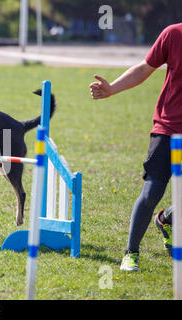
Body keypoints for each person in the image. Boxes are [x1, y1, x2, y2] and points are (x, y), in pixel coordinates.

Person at [89, 23, 182, 272]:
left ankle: (168, 219)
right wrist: (112, 89)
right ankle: (131, 252)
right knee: (152, 192)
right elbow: (144, 69)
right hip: (168, 126)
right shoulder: (173, 34)